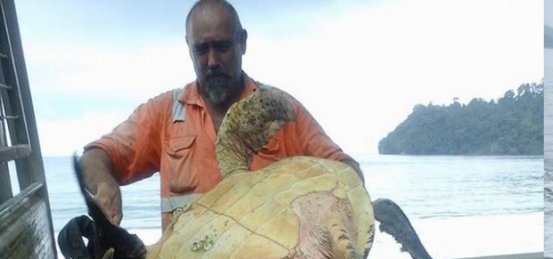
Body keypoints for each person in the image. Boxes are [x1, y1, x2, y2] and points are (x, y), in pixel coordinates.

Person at [78, 0, 364, 231]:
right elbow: (96, 155)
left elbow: (345, 169)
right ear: (188, 49)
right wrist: (104, 184)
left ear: (242, 42)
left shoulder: (281, 110)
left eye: (222, 47)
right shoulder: (164, 113)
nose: (212, 61)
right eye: (201, 49)